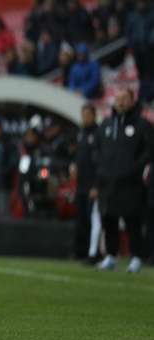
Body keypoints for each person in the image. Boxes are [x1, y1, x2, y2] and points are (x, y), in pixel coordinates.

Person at [95, 88, 153, 273]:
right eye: (118, 98)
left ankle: (136, 257)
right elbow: (97, 150)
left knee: (132, 221)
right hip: (108, 181)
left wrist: (134, 169)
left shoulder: (142, 125)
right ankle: (111, 256)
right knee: (108, 219)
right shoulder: (105, 124)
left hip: (131, 183)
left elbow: (149, 151)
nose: (120, 102)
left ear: (132, 101)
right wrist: (102, 171)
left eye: (124, 99)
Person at [71, 104, 100, 263]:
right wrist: (74, 165)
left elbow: (99, 162)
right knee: (81, 218)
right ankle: (81, 251)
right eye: (83, 115)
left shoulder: (98, 133)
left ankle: (94, 252)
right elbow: (79, 155)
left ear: (94, 115)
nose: (85, 118)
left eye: (87, 114)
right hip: (81, 184)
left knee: (92, 220)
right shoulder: (81, 133)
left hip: (92, 185)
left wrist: (97, 185)